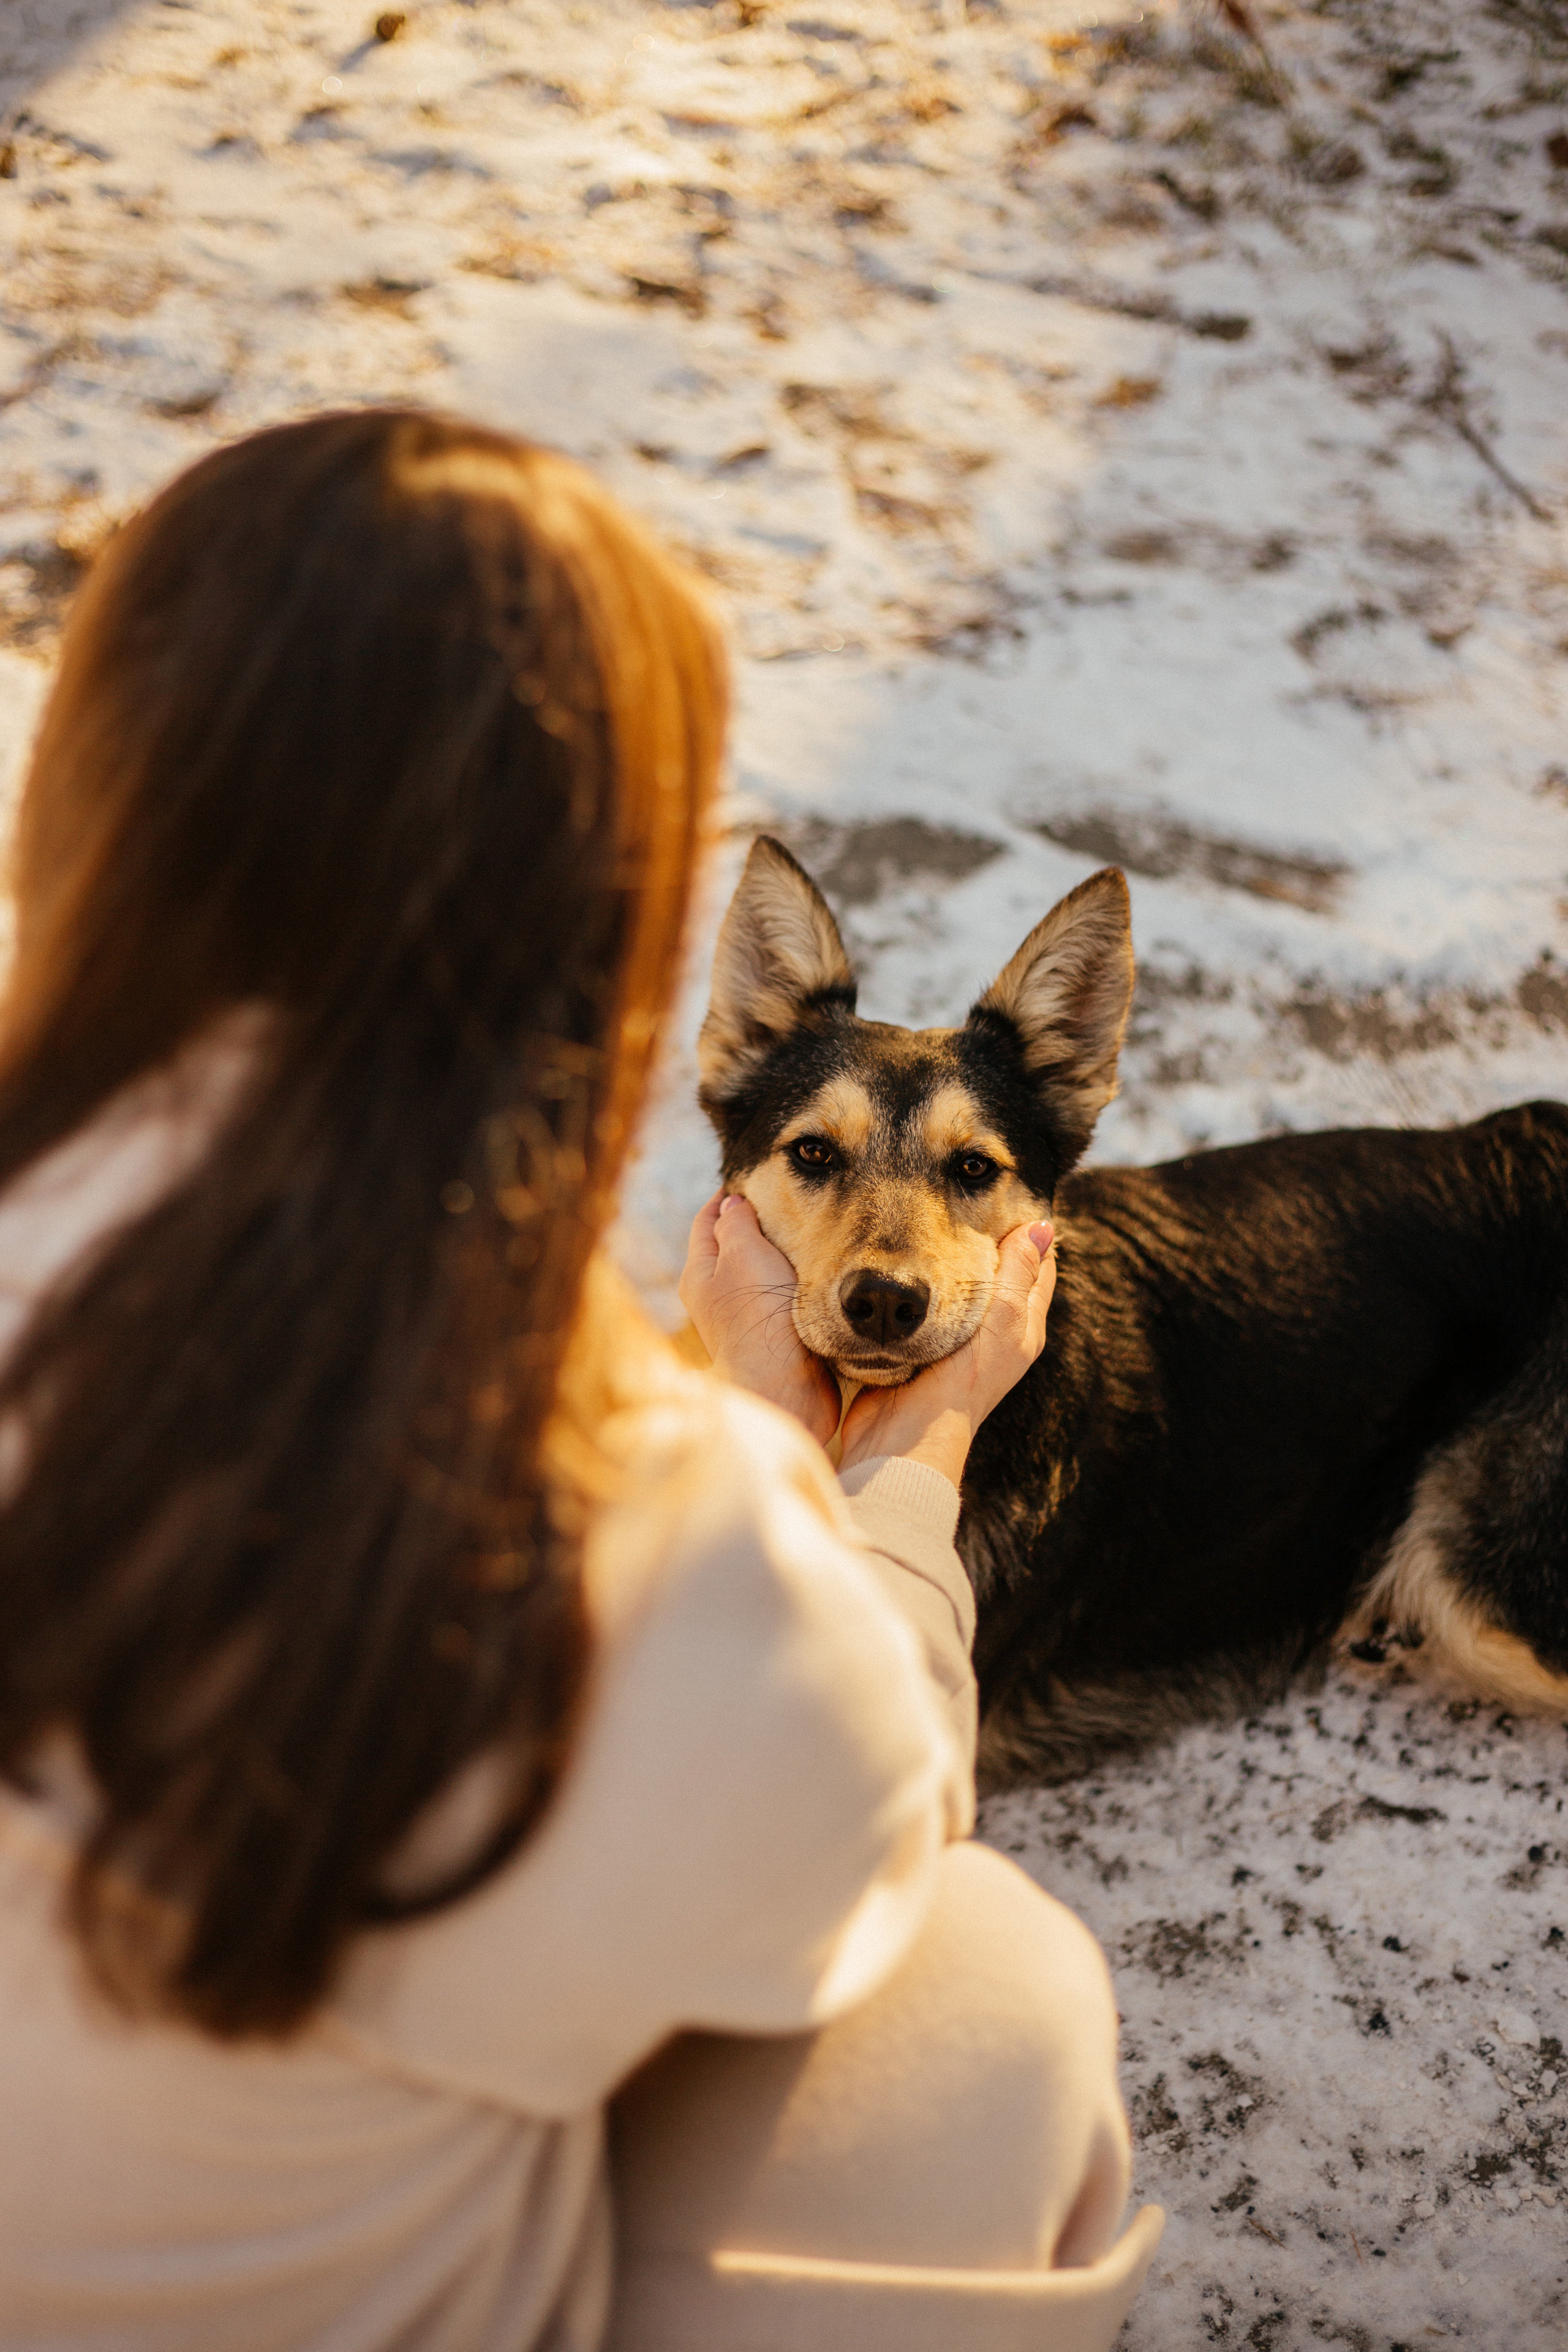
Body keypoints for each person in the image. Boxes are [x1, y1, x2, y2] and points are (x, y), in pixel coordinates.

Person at [0, 409, 1162, 2351]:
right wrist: (869, 1460)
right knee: (1000, 1989)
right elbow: (863, 1840)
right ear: (617, 950)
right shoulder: (625, 1505)